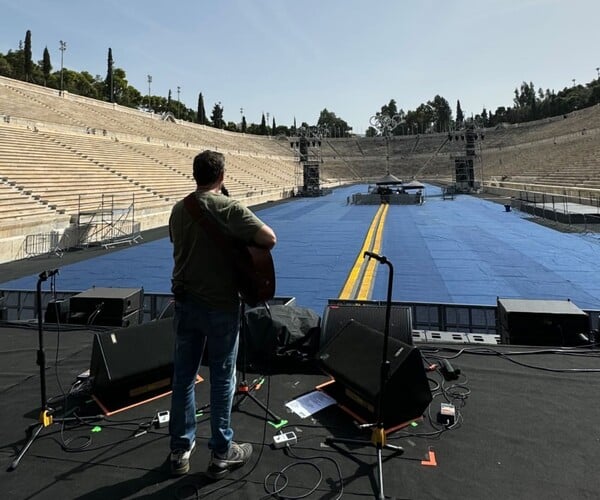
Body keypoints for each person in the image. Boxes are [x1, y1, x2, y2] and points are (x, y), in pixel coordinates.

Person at [168, 150, 277, 479]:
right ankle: (220, 452)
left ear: (195, 175)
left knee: (183, 378)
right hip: (219, 307)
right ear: (222, 176)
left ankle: (179, 450)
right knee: (221, 379)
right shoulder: (227, 207)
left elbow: (178, 242)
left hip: (184, 304)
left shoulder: (178, 209)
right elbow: (268, 238)